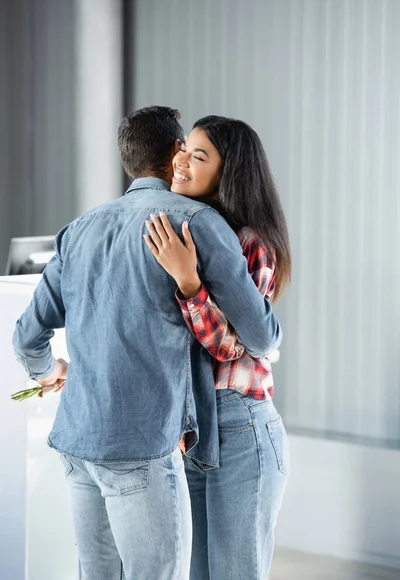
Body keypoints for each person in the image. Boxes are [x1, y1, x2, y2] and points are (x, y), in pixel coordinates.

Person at [12, 106, 282, 580]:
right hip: (144, 445)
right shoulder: (196, 222)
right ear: (175, 153)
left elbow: (29, 335)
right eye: (189, 151)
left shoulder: (79, 229)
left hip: (79, 441)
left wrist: (49, 371)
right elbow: (260, 335)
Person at [145, 115, 291, 580]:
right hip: (190, 428)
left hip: (241, 426)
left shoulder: (251, 245)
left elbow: (235, 346)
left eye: (199, 155)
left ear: (227, 173)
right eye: (184, 148)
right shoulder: (185, 232)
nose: (182, 159)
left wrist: (189, 283)